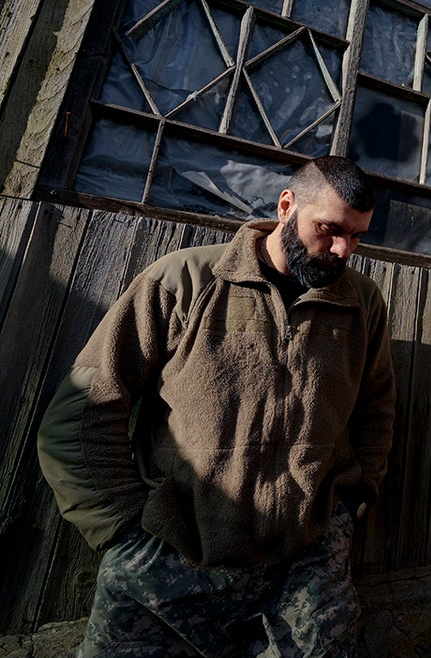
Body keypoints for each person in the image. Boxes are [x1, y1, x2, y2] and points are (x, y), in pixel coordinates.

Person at [37, 156, 397, 656]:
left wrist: (347, 511)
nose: (342, 250)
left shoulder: (362, 303)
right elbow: (82, 412)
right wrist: (123, 532)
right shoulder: (184, 281)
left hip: (305, 569)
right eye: (330, 229)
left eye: (357, 237)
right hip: (170, 562)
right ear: (287, 206)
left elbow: (377, 408)